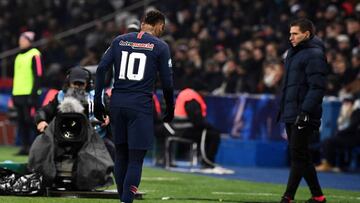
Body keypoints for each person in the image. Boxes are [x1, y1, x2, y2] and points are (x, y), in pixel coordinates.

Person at [94, 10, 174, 203]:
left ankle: (123, 199)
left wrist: (98, 100)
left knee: (121, 155)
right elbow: (167, 83)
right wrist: (170, 107)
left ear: (142, 23)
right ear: (158, 25)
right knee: (136, 158)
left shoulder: (119, 40)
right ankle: (126, 201)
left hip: (118, 102)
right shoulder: (160, 46)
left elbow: (101, 69)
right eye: (162, 28)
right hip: (140, 105)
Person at [278, 19, 329, 203]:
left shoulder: (314, 54)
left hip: (304, 114)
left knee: (298, 156)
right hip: (292, 112)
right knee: (303, 157)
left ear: (306, 34)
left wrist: (305, 111)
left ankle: (288, 197)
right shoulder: (293, 53)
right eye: (290, 33)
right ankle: (318, 197)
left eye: (295, 33)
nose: (290, 37)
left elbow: (317, 87)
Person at [34, 67, 114, 159]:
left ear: (88, 84)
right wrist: (41, 120)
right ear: (68, 83)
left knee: (112, 148)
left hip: (96, 138)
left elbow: (113, 110)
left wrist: (108, 116)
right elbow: (43, 111)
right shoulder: (60, 96)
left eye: (81, 84)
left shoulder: (99, 96)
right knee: (41, 145)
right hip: (65, 139)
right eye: (75, 84)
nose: (77, 87)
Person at [12, 31, 44, 155]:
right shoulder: (18, 56)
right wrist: (14, 95)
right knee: (21, 122)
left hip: (30, 94)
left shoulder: (35, 54)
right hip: (18, 94)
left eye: (23, 40)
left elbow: (39, 75)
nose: (21, 42)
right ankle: (25, 147)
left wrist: (33, 93)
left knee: (32, 122)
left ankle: (36, 148)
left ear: (29, 41)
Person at [316, 96, 360, 172]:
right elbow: (340, 126)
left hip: (354, 138)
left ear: (352, 104)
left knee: (328, 141)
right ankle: (331, 164)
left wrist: (340, 132)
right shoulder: (343, 113)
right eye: (344, 103)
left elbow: (353, 127)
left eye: (347, 103)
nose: (345, 105)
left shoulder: (356, 112)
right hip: (345, 136)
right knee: (327, 141)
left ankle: (328, 164)